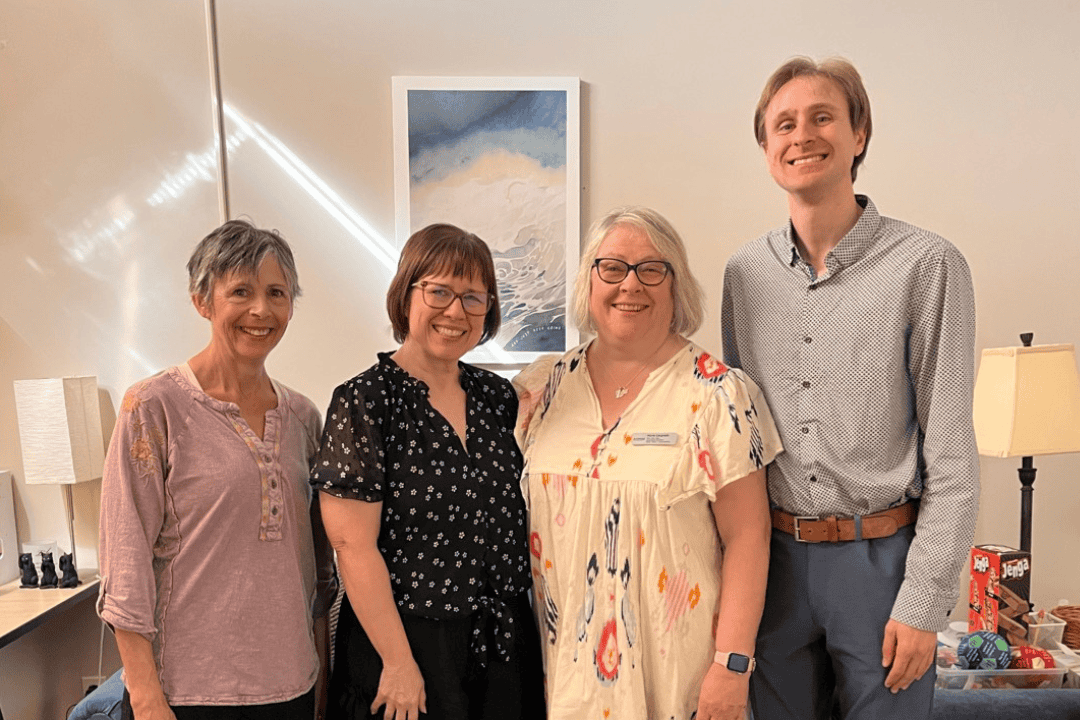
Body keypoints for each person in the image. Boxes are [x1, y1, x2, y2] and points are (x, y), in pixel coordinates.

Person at [721, 57, 980, 719]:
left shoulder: (927, 265)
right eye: (783, 124)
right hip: (773, 567)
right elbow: (737, 441)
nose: (801, 135)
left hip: (882, 566)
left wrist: (923, 604)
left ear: (859, 134)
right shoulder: (743, 275)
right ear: (766, 147)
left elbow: (951, 455)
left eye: (821, 117)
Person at [519, 207, 781, 720]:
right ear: (588, 282)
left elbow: (750, 538)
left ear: (675, 284)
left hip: (674, 679)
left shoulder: (718, 394)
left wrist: (731, 667)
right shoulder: (542, 388)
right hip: (555, 674)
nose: (630, 285)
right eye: (612, 267)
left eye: (651, 269)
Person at [98, 220, 337, 720]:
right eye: (240, 292)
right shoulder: (152, 408)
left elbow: (316, 572)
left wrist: (321, 673)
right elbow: (126, 563)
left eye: (277, 293)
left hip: (292, 683)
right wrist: (145, 698)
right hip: (187, 692)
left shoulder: (304, 418)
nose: (261, 310)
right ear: (203, 300)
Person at [311, 224, 545, 720]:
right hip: (405, 642)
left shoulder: (498, 398)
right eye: (439, 291)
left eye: (473, 298)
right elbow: (352, 546)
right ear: (406, 293)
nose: (455, 311)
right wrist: (397, 663)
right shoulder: (365, 402)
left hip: (503, 644)